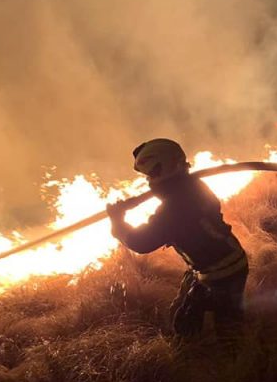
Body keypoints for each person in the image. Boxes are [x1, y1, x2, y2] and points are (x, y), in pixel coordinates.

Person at [106, 138, 248, 341]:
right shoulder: (192, 186)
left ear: (164, 169)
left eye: (151, 174)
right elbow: (174, 194)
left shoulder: (173, 208)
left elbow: (141, 242)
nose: (149, 181)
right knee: (187, 313)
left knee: (213, 327)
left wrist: (117, 221)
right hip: (220, 263)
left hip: (222, 272)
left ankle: (235, 361)